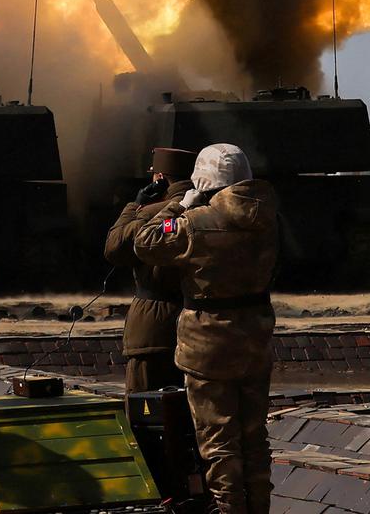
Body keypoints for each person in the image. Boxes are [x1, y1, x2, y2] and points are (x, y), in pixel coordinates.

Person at [134, 143, 278, 514]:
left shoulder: (196, 223)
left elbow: (145, 242)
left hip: (207, 345)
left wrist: (180, 205)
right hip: (255, 340)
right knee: (254, 438)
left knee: (219, 440)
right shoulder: (266, 218)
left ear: (203, 181)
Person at [103, 147, 196, 392]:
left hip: (153, 329)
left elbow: (114, 248)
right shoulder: (208, 211)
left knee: (145, 403)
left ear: (159, 179)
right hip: (198, 327)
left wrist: (135, 205)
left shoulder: (150, 213)